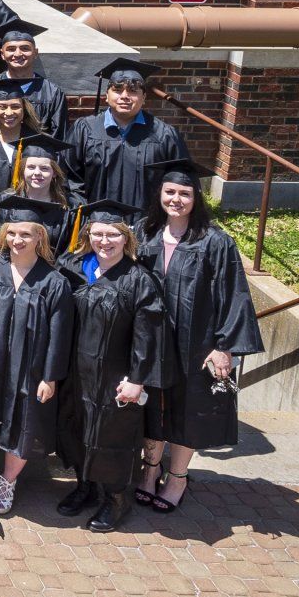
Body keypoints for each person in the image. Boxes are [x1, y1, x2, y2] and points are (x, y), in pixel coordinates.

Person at [136, 157, 264, 515]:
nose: (176, 199)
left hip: (197, 345)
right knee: (153, 408)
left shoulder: (216, 242)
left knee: (188, 410)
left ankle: (177, 477)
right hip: (152, 343)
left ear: (197, 198)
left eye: (185, 193)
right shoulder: (143, 233)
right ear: (159, 193)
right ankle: (149, 470)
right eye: (170, 191)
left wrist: (225, 347)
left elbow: (234, 295)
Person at [57, 197, 168, 533]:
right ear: (88, 236)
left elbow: (148, 333)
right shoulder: (73, 268)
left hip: (115, 377)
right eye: (98, 234)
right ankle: (85, 485)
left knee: (112, 436)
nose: (104, 242)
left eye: (113, 235)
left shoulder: (138, 280)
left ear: (126, 238)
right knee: (76, 429)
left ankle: (116, 499)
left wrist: (137, 379)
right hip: (76, 373)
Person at [0, 196, 73, 517]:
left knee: (24, 424)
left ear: (40, 236)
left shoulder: (54, 282)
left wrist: (49, 377)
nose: (17, 240)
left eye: (26, 234)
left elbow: (59, 334)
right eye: (12, 233)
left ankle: (8, 481)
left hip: (30, 370)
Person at [67, 58, 190, 208]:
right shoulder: (84, 129)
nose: (124, 96)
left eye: (133, 91)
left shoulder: (165, 135)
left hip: (146, 224)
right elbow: (69, 177)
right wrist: (85, 212)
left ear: (144, 97)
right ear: (107, 95)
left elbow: (180, 180)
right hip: (97, 225)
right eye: (117, 90)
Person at [0, 18, 67, 136]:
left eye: (25, 48)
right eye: (11, 49)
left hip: (39, 153)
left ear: (35, 53)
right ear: (2, 55)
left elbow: (59, 136)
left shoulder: (52, 93)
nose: (18, 54)